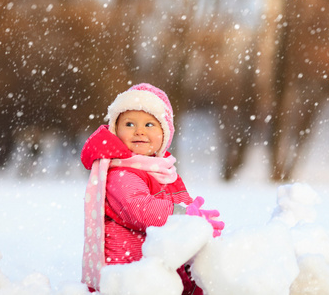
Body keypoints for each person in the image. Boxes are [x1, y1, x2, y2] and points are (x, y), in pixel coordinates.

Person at [80, 83, 224, 294]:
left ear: (164, 134)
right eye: (129, 124)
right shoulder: (121, 172)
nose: (139, 131)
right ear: (115, 130)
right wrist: (183, 215)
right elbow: (139, 208)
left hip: (154, 268)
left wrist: (198, 227)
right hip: (130, 273)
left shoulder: (163, 170)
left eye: (149, 124)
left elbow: (181, 203)